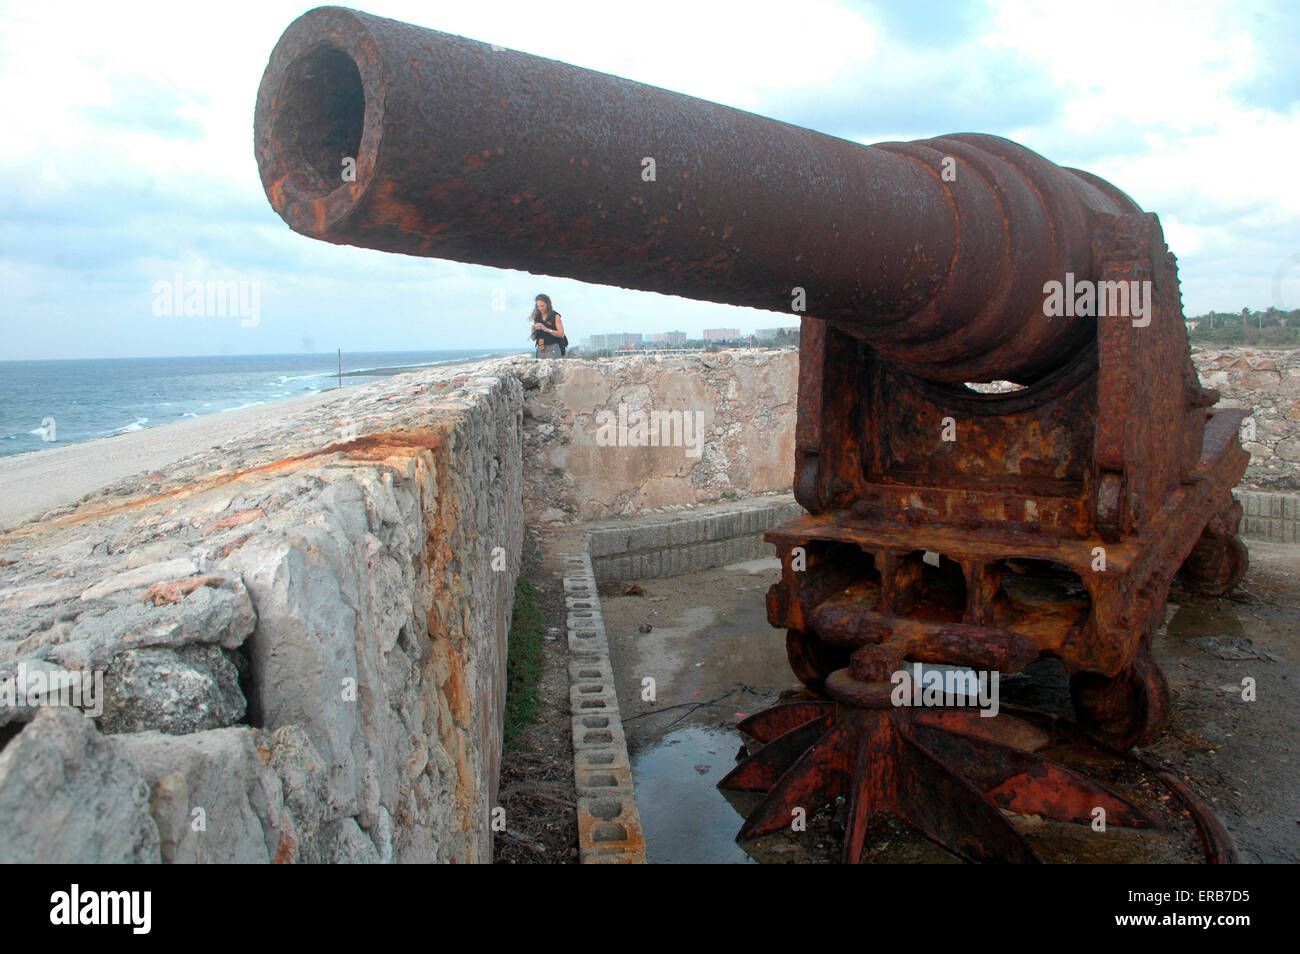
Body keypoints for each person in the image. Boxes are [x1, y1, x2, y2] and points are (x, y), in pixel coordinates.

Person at [529, 294, 568, 358]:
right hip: (541, 347)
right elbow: (533, 339)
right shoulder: (537, 317)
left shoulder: (555, 316)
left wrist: (546, 329)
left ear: (547, 304)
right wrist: (533, 331)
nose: (540, 308)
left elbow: (561, 334)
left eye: (542, 306)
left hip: (553, 347)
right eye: (538, 306)